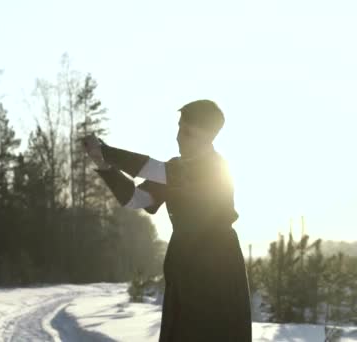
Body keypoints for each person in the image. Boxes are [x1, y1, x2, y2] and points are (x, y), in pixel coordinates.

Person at [82, 100, 251, 342]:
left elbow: (152, 170)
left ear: (208, 138)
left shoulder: (215, 168)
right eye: (179, 128)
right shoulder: (175, 167)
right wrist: (104, 165)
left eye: (188, 132)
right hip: (184, 265)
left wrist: (106, 151)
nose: (178, 137)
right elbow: (135, 199)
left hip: (217, 267)